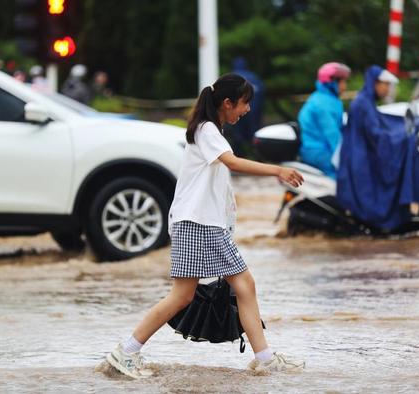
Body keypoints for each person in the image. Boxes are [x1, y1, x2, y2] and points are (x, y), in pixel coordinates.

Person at [105, 73, 306, 379]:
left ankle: (264, 357)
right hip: (198, 224)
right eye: (245, 103)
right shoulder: (207, 130)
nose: (248, 110)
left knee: (234, 287)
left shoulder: (210, 130)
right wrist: (278, 170)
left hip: (203, 224)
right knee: (191, 294)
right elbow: (234, 163)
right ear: (227, 103)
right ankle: (127, 352)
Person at [337, 65, 419, 231]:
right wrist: (404, 136)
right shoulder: (362, 104)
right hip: (363, 162)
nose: (387, 89)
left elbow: (381, 125)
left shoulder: (366, 101)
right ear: (375, 83)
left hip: (364, 156)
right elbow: (376, 137)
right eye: (385, 84)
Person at [297, 62, 351, 179]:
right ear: (331, 83)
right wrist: (344, 156)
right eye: (342, 82)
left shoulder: (328, 99)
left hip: (321, 149)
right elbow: (332, 134)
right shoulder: (323, 104)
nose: (344, 86)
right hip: (318, 151)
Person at [229, 57, 265, 155]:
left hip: (237, 114)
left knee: (237, 135)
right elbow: (262, 94)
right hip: (255, 113)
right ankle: (257, 156)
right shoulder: (254, 77)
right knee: (255, 135)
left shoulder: (232, 77)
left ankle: (239, 157)